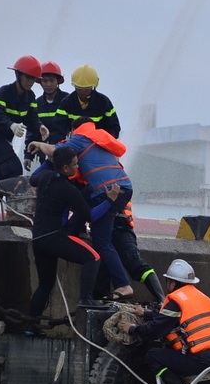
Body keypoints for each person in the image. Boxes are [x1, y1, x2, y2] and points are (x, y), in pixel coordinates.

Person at [28, 117, 134, 301]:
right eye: (75, 164)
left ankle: (123, 285)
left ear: (74, 130)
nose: (77, 166)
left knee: (101, 242)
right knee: (85, 201)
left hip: (108, 191)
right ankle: (73, 233)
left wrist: (39, 144)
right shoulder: (96, 137)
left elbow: (53, 152)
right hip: (119, 186)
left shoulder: (80, 137)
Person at [26, 146, 119, 334]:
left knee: (45, 285)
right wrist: (110, 200)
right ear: (66, 168)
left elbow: (32, 178)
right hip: (54, 237)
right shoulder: (68, 189)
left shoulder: (45, 177)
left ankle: (30, 326)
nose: (78, 167)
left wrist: (48, 162)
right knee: (93, 257)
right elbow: (90, 215)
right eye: (75, 165)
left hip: (38, 239)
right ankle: (85, 299)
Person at [119, 259, 210, 384]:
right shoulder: (202, 298)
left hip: (200, 362)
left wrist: (132, 329)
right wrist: (145, 313)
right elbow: (170, 317)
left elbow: (155, 329)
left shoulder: (176, 300)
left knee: (153, 356)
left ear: (172, 283)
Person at [0, 55, 48, 181]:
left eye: (33, 78)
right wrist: (12, 125)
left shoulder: (30, 96)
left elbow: (31, 119)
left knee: (3, 175)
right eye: (28, 77)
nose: (31, 81)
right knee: (14, 169)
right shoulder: (2, 93)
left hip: (5, 138)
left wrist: (40, 127)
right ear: (18, 75)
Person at [94, 201, 166, 307]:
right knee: (102, 271)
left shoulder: (116, 190)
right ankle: (100, 303)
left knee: (136, 264)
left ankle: (162, 300)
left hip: (121, 230)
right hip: (102, 233)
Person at [52, 64, 121, 139]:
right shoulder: (67, 102)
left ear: (93, 86)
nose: (83, 92)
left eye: (86, 89)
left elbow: (114, 128)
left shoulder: (103, 102)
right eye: (79, 89)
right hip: (74, 143)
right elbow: (58, 129)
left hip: (98, 143)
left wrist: (101, 140)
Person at [25, 61, 70, 169]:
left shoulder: (68, 101)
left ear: (58, 81)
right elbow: (32, 131)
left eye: (52, 80)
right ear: (40, 82)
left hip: (65, 154)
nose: (48, 84)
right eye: (45, 81)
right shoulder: (36, 104)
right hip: (44, 155)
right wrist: (28, 156)